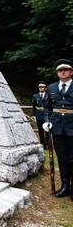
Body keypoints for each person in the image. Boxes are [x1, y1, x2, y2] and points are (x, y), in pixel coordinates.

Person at [44, 59, 73, 200]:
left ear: (71, 72)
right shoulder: (51, 88)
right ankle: (65, 186)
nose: (63, 71)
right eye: (60, 70)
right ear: (57, 73)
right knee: (61, 158)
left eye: (66, 69)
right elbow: (47, 108)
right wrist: (47, 121)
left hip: (72, 128)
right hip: (57, 129)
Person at [32, 83, 50, 148]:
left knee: (47, 130)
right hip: (38, 114)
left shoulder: (48, 95)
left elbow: (51, 106)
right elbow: (34, 106)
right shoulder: (35, 96)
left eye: (42, 87)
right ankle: (43, 145)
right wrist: (34, 115)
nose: (41, 88)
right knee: (40, 130)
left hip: (46, 114)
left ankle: (48, 144)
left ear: (45, 88)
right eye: (40, 87)